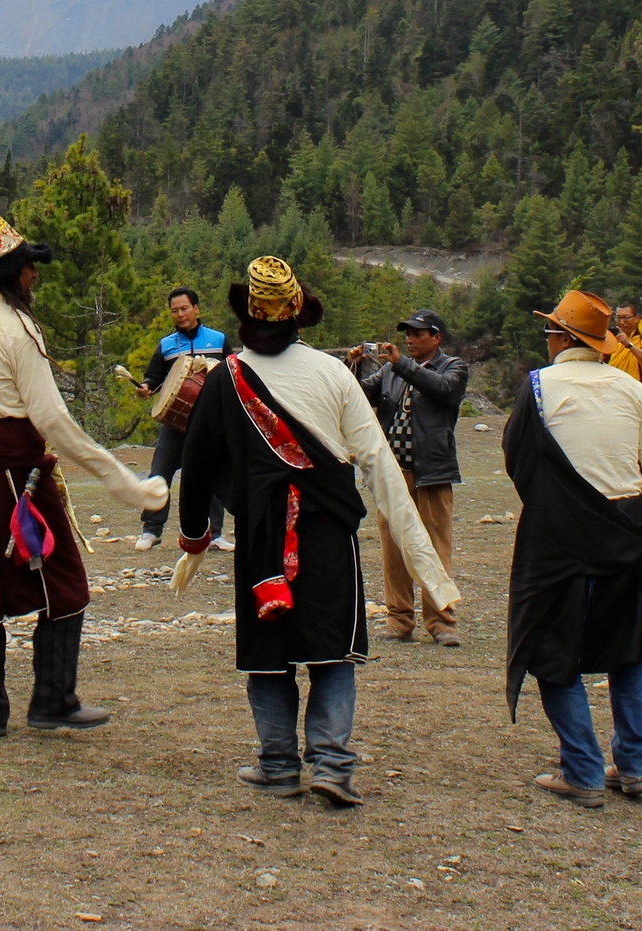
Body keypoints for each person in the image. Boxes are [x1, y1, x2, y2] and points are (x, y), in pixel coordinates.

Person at [175, 257, 457, 807]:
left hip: (260, 538)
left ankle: (278, 764)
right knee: (331, 651)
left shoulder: (223, 379)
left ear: (246, 315)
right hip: (328, 532)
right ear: (299, 315)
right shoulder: (333, 374)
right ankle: (331, 764)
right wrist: (431, 568)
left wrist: (193, 539)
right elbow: (377, 465)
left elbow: (197, 464)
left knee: (269, 651)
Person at [0, 215, 169, 736]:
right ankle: (53, 700)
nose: (36, 276)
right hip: (14, 478)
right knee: (64, 585)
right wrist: (121, 481)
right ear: (14, 273)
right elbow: (52, 419)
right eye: (30, 268)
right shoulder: (17, 326)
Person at [508, 288, 642, 810]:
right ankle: (634, 765)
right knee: (628, 652)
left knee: (552, 653)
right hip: (626, 534)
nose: (548, 338)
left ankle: (581, 769)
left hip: (558, 541)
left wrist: (555, 502)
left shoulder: (539, 386)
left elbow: (518, 457)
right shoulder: (630, 387)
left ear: (561, 337)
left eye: (550, 330)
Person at [348, 309, 468, 645]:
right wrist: (353, 366)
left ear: (436, 338)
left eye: (418, 334)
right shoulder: (390, 369)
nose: (411, 340)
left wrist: (402, 364)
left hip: (432, 471)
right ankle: (398, 619)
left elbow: (444, 390)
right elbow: (358, 395)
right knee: (394, 547)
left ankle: (441, 621)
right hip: (394, 471)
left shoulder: (453, 367)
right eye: (408, 334)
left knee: (434, 546)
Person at [134, 286, 229, 553]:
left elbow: (233, 374)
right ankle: (151, 531)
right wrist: (145, 387)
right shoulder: (166, 345)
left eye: (184, 308)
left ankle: (215, 534)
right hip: (175, 424)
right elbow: (153, 378)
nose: (180, 314)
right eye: (175, 310)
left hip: (209, 422)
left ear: (196, 309)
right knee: (159, 475)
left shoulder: (218, 340)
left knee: (209, 477)